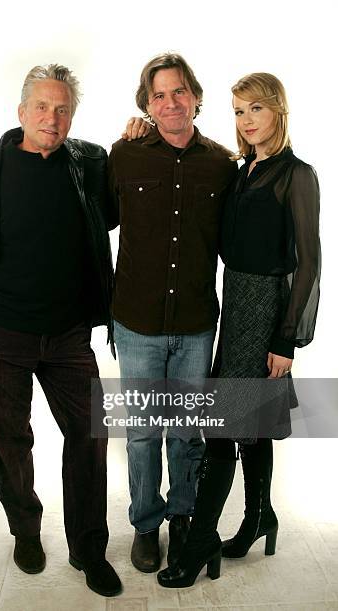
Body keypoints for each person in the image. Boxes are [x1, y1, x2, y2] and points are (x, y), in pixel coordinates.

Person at [0, 64, 122, 598]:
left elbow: (116, 207)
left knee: (89, 434)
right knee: (11, 445)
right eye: (42, 106)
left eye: (62, 108)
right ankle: (26, 531)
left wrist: (137, 135)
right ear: (21, 112)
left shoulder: (88, 164)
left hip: (67, 337)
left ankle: (88, 550)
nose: (52, 118)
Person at [156, 72, 321, 588]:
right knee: (249, 419)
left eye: (255, 109)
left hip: (266, 308)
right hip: (234, 300)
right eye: (237, 111)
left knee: (223, 429)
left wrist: (285, 339)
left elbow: (309, 262)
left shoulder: (296, 174)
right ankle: (259, 516)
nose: (246, 121)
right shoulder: (243, 169)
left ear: (278, 111)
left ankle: (202, 536)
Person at [108, 53, 238, 573]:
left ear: (196, 97)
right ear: (147, 104)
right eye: (158, 95)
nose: (170, 102)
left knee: (186, 431)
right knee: (142, 434)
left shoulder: (221, 165)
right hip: (136, 321)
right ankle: (145, 525)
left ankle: (183, 516)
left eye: (179, 91)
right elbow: (95, 224)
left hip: (195, 323)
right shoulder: (125, 155)